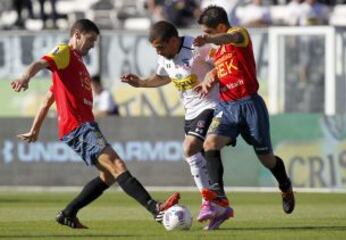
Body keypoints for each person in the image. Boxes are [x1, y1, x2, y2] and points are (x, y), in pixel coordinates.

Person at [11, 18, 180, 229]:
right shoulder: (64, 52)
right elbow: (40, 63)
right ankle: (155, 208)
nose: (92, 45)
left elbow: (48, 99)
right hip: (78, 127)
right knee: (117, 165)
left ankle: (68, 213)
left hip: (83, 126)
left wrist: (34, 129)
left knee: (108, 176)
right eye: (90, 40)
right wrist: (25, 77)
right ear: (77, 35)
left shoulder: (75, 65)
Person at [194, 5, 295, 229]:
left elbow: (232, 36)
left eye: (209, 32)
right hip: (227, 106)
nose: (208, 37)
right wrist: (211, 75)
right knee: (209, 143)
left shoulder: (240, 35)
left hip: (250, 105)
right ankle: (218, 196)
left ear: (220, 27)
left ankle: (285, 186)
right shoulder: (217, 52)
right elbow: (222, 68)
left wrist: (213, 39)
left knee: (266, 159)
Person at [121, 20, 228, 230]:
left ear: (173, 41)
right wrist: (141, 82)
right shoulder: (164, 56)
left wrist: (211, 75)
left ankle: (209, 201)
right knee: (196, 155)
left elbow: (223, 62)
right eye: (155, 49)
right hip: (190, 112)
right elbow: (162, 78)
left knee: (189, 148)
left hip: (211, 105)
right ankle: (218, 205)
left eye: (160, 47)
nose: (158, 52)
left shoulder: (197, 47)